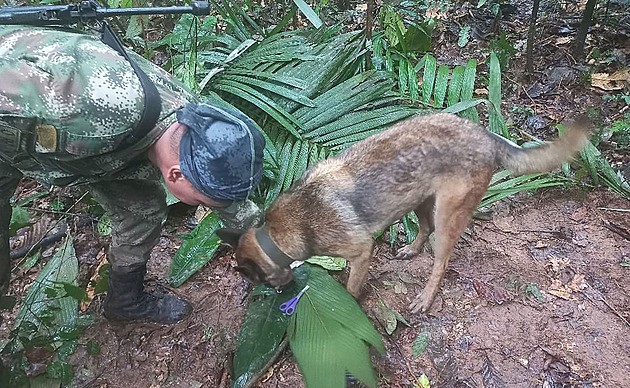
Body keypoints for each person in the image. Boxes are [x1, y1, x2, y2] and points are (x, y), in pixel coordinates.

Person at [0, 25, 265, 324]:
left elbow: (226, 197)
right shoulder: (88, 118)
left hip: (65, 133)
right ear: (176, 175)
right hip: (16, 112)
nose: (211, 206)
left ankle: (124, 302)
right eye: (205, 202)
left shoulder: (193, 124)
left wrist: (269, 250)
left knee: (141, 209)